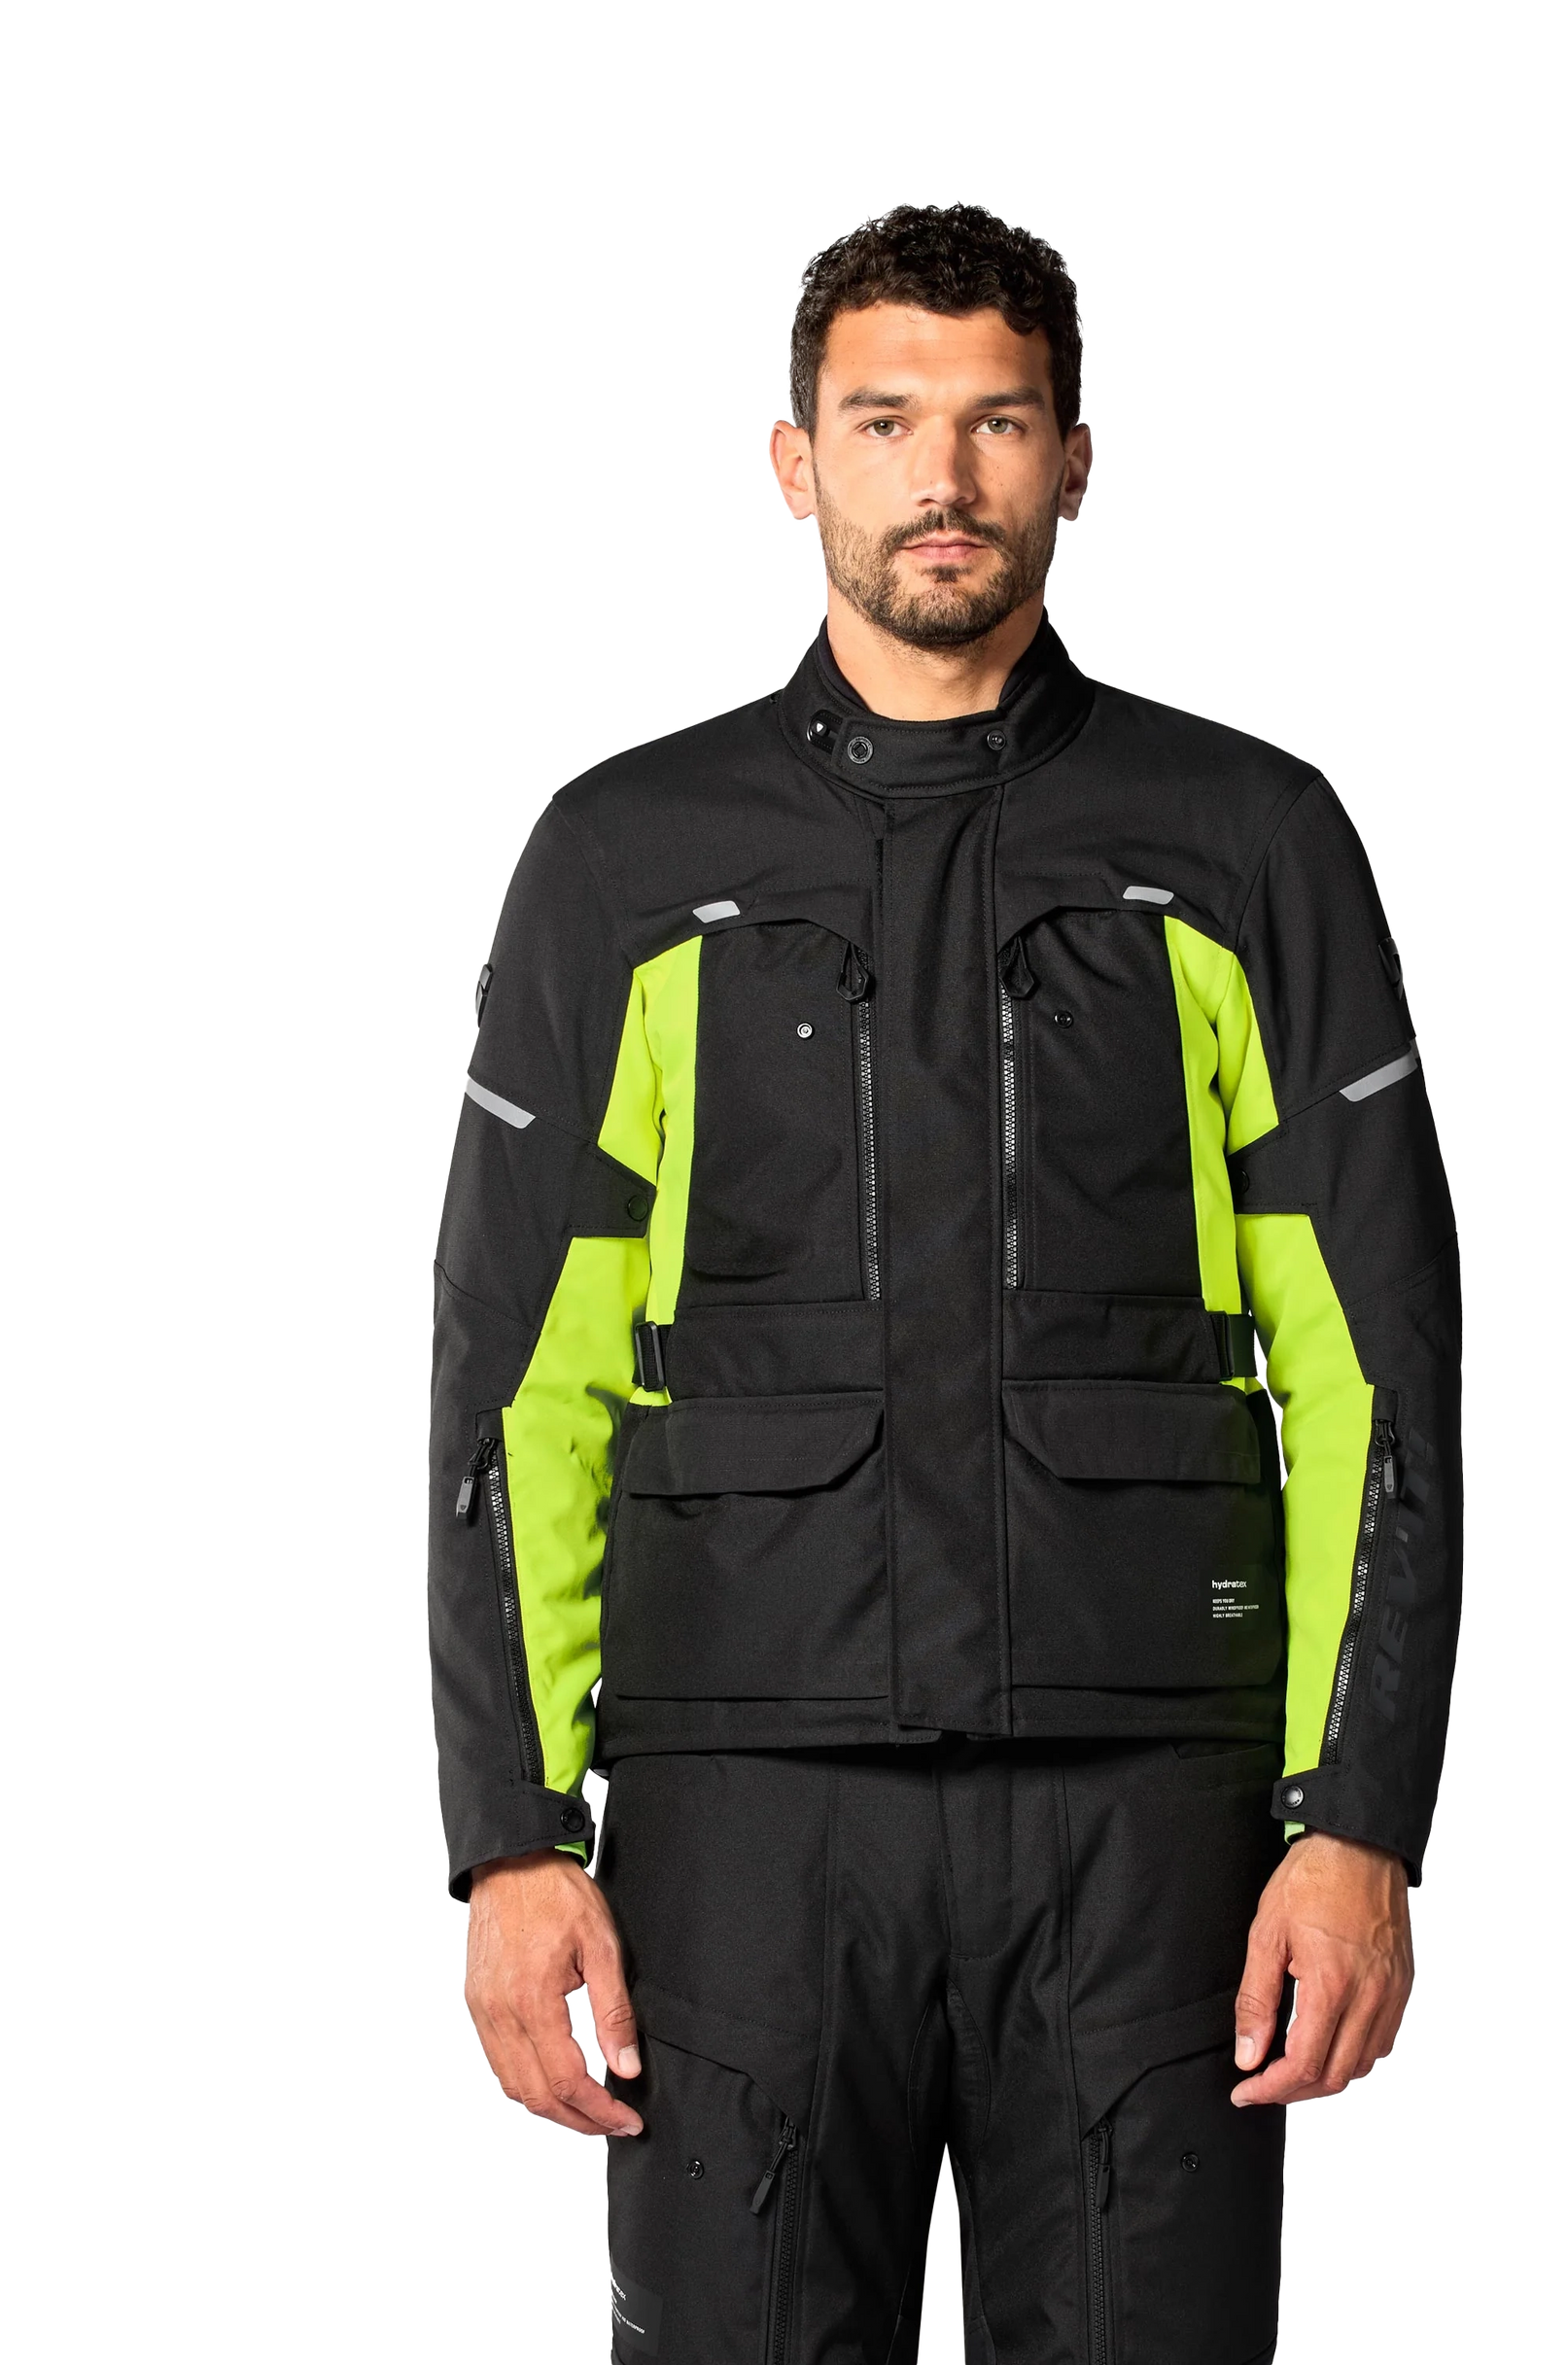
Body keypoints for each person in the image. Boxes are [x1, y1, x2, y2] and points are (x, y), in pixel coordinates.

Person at [428, 198, 1463, 2362]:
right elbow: (517, 1384)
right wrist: (510, 1842)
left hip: (1149, 1819)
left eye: (998, 421)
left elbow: (1371, 1365)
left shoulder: (1250, 836)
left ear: (1074, 461)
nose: (943, 476)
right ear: (793, 460)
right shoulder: (621, 855)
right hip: (740, 1824)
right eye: (886, 419)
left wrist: (1356, 1820)